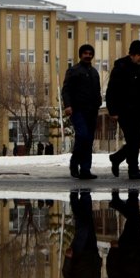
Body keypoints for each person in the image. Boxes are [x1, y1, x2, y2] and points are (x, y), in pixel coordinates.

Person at [106, 40, 140, 180]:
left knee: (138, 138)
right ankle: (133, 169)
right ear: (131, 55)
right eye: (138, 55)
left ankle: (117, 158)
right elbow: (111, 90)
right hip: (125, 111)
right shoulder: (120, 67)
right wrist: (112, 110)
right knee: (133, 139)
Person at [61, 44, 102, 179]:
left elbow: (97, 91)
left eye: (90, 53)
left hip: (92, 111)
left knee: (88, 140)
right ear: (80, 55)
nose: (88, 55)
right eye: (85, 53)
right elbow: (66, 90)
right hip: (78, 110)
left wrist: (98, 103)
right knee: (83, 135)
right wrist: (67, 105)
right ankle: (74, 162)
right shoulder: (73, 71)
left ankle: (85, 169)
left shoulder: (95, 72)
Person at [62, 190, 102, 278]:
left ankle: (74, 198)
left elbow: (66, 273)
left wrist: (68, 258)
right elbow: (97, 272)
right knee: (89, 222)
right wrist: (98, 259)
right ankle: (85, 196)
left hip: (78, 253)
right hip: (92, 251)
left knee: (83, 227)